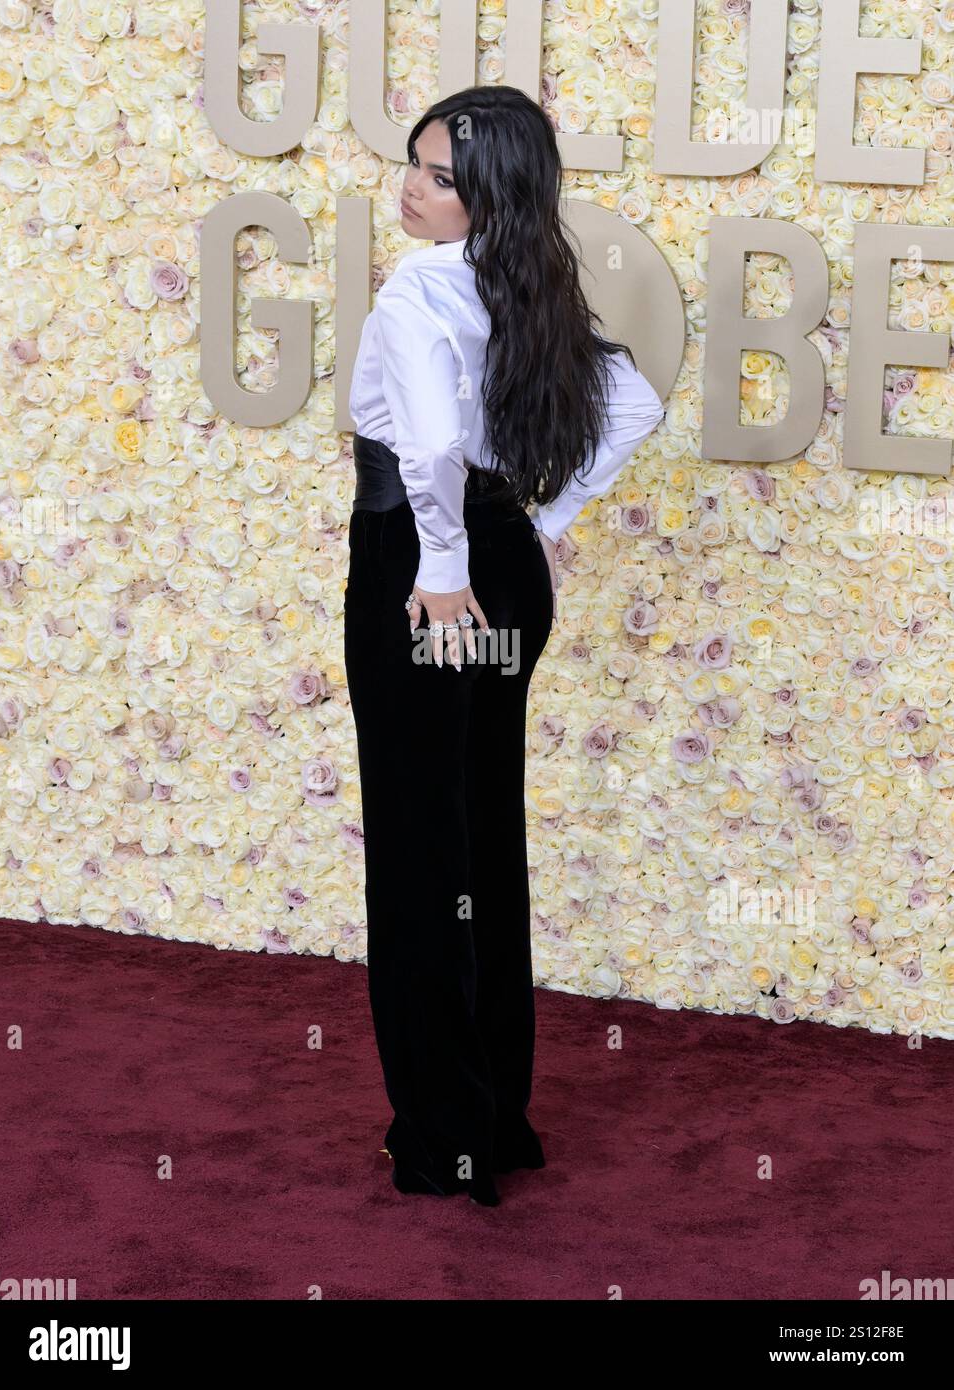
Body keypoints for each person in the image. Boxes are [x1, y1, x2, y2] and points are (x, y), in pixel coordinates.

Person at [344, 85, 666, 1207]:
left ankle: (442, 1137)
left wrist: (439, 572)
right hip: (506, 568)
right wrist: (540, 524)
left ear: (488, 195)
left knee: (421, 852)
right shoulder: (525, 285)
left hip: (423, 577)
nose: (413, 188)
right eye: (417, 164)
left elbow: (429, 447)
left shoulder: (416, 292)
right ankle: (494, 1119)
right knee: (482, 836)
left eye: (440, 176)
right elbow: (633, 404)